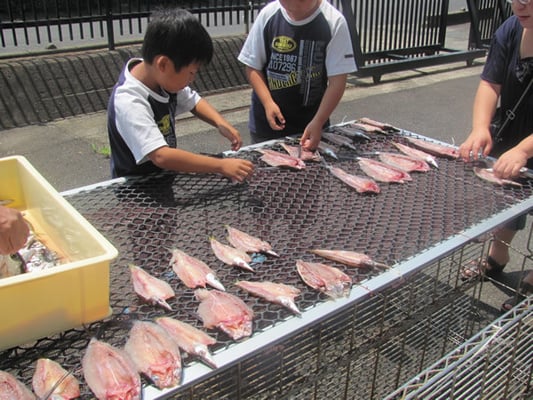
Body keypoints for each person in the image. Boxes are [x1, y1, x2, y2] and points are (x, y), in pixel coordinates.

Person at [107, 7, 254, 182]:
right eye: (191, 72)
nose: (192, 79)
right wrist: (220, 165)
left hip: (163, 178)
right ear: (163, 64)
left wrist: (220, 123)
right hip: (135, 187)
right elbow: (161, 156)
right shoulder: (130, 100)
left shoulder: (159, 76)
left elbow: (193, 101)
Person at [458, 0, 533, 311]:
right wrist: (480, 127)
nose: (521, 3)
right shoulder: (511, 29)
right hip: (512, 132)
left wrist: (525, 150)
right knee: (507, 198)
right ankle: (497, 256)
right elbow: (490, 81)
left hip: (527, 143)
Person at [237, 0, 357, 150]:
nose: (292, 9)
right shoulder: (269, 14)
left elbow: (337, 82)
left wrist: (319, 121)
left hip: (311, 122)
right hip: (266, 123)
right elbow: (252, 67)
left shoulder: (333, 21)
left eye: (300, 3)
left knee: (312, 162)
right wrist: (268, 103)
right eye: (286, 3)